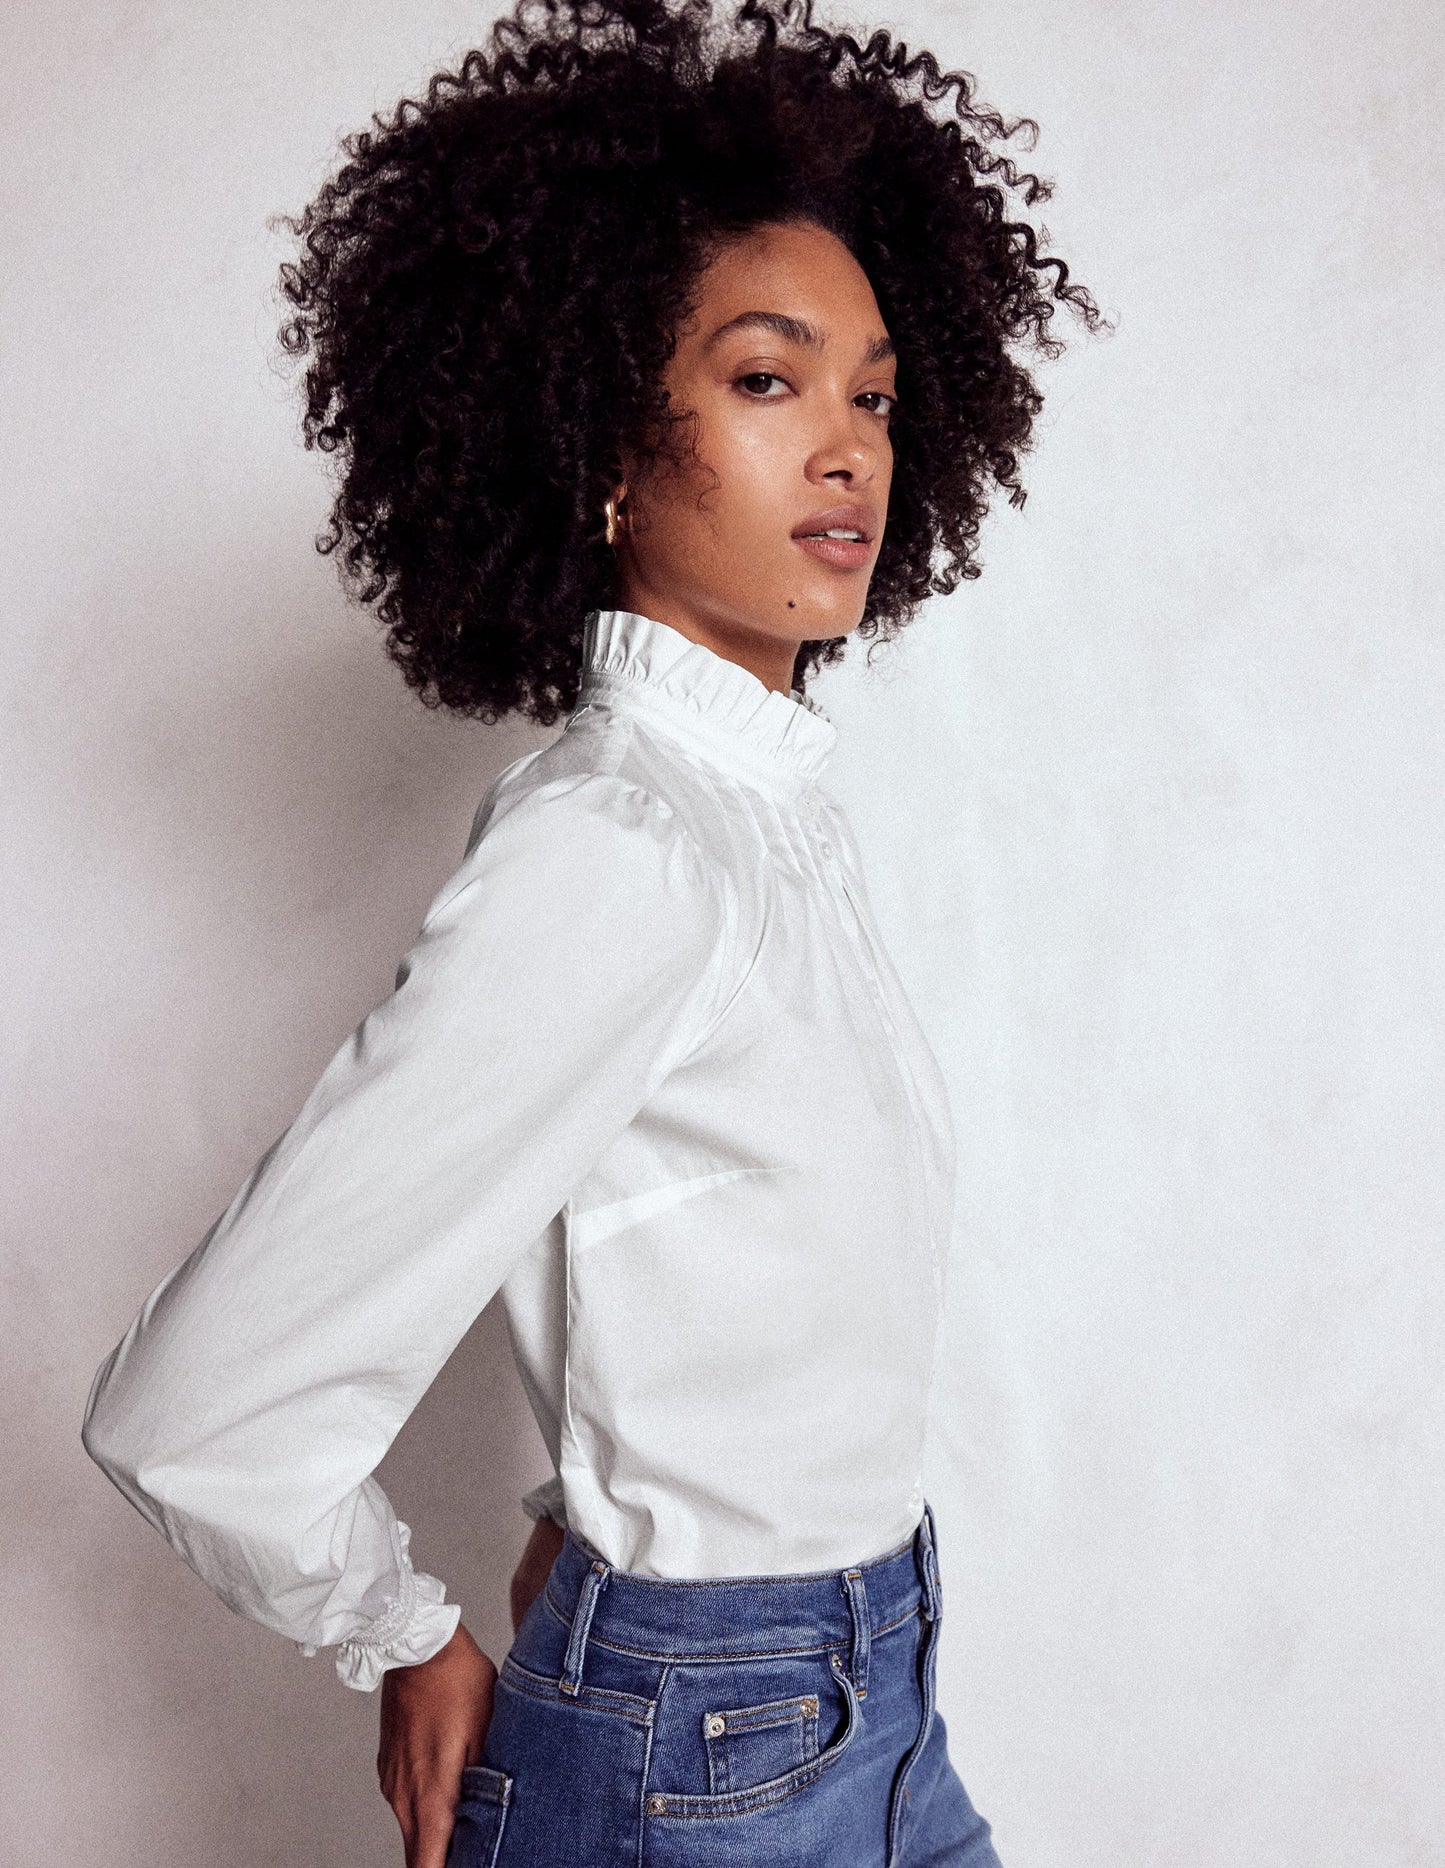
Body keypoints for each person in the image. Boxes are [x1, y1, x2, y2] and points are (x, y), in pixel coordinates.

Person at [80, 0, 1098, 1861]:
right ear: (607, 448)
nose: (847, 450)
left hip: (863, 1696)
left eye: (873, 395)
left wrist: (593, 1506)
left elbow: (681, 1264)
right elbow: (199, 1400)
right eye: (768, 380)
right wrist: (398, 1628)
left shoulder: (749, 809)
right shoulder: (621, 846)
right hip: (710, 1756)